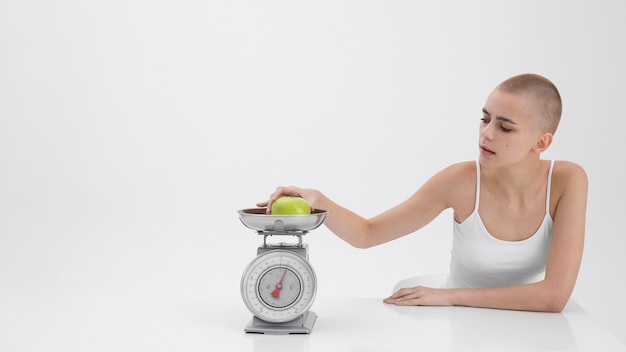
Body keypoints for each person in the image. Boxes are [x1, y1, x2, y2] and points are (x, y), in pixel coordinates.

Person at [257, 74, 587, 313]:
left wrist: (451, 295)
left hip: (505, 318)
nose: (485, 134)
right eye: (484, 119)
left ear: (541, 142)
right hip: (455, 318)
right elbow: (368, 234)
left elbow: (553, 297)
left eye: (504, 127)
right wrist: (318, 200)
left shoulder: (568, 180)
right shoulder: (459, 181)